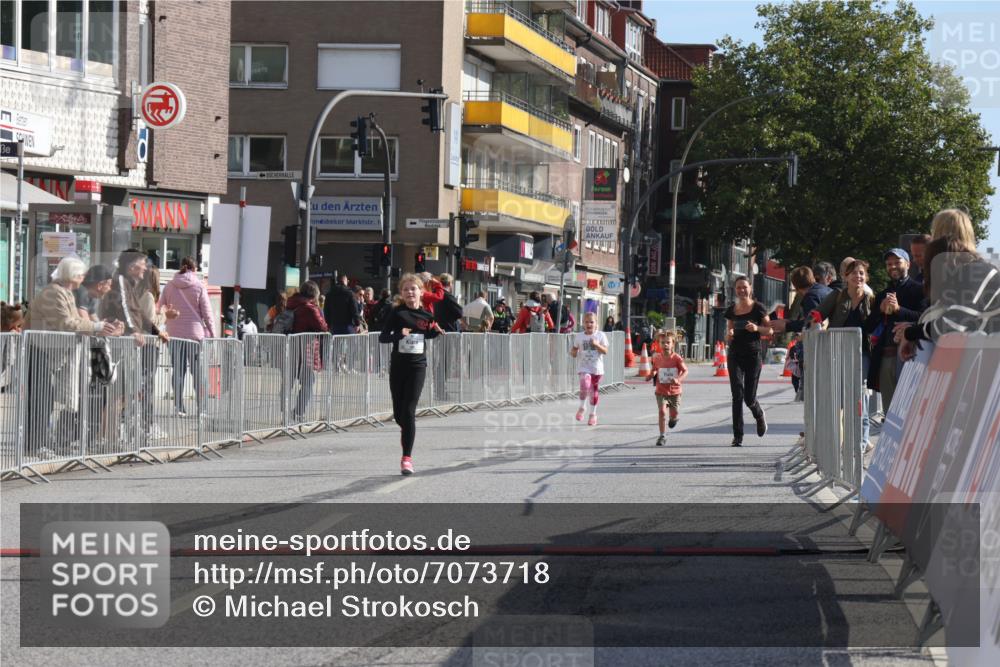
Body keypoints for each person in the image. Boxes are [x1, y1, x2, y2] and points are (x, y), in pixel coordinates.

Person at [24, 257, 120, 453]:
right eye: (81, 275)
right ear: (73, 275)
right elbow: (66, 323)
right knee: (40, 399)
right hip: (39, 349)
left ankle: (38, 443)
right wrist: (97, 327)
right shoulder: (54, 293)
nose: (84, 278)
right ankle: (34, 445)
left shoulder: (64, 292)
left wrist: (99, 327)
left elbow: (75, 321)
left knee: (46, 399)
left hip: (48, 350)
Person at [379, 273, 444, 475]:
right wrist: (399, 334)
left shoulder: (427, 315)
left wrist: (436, 331)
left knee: (408, 411)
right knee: (400, 414)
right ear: (401, 293)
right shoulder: (396, 313)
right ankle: (407, 428)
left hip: (418, 367)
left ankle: (406, 458)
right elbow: (383, 337)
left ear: (421, 292)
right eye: (406, 289)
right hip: (398, 367)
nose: (410, 292)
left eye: (413, 289)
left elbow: (427, 334)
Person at [812, 259, 876, 452]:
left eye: (862, 273)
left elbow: (879, 323)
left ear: (866, 277)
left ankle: (861, 443)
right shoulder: (837, 295)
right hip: (837, 352)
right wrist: (813, 325)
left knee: (861, 398)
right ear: (846, 277)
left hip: (863, 354)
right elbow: (817, 314)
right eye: (854, 273)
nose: (858, 276)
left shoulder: (871, 298)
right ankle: (837, 444)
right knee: (839, 398)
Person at [864, 248, 925, 412]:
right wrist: (880, 310)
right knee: (890, 411)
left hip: (912, 355)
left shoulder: (919, 290)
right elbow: (868, 326)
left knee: (910, 409)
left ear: (908, 264)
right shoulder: (883, 294)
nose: (892, 266)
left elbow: (923, 318)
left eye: (897, 262)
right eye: (889, 264)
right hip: (886, 356)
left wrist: (899, 310)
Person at [160, 257, 217, 415]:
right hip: (195, 336)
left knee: (178, 371)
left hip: (174, 334)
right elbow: (207, 313)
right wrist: (213, 333)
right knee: (198, 372)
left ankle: (179, 407)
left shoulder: (169, 286)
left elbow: (161, 307)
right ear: (195, 268)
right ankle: (202, 408)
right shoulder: (199, 286)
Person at [724, 276, 770, 447]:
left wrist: (757, 328)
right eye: (738, 287)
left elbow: (770, 330)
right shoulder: (731, 310)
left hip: (752, 354)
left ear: (750, 288)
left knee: (749, 398)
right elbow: (728, 333)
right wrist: (729, 335)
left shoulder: (758, 308)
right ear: (735, 290)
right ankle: (738, 436)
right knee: (737, 395)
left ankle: (759, 414)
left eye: (744, 287)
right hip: (735, 354)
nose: (742, 290)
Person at [287, 281, 328, 422]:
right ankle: (298, 413)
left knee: (288, 382)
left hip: (290, 348)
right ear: (314, 294)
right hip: (306, 351)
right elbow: (322, 327)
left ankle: (284, 413)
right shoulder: (310, 309)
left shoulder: (291, 304)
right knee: (308, 382)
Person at [647, 329, 688, 446]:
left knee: (674, 413)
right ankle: (662, 436)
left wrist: (678, 379)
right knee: (662, 412)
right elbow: (654, 369)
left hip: (675, 391)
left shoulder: (677, 358)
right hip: (661, 391)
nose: (665, 345)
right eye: (663, 342)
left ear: (672, 344)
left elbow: (685, 371)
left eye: (668, 342)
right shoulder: (657, 358)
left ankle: (673, 418)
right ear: (659, 344)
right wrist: (651, 375)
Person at [569, 312, 609, 426]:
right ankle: (582, 407)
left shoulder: (600, 335)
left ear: (596, 324)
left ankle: (593, 415)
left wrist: (596, 344)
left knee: (593, 392)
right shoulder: (579, 336)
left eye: (592, 322)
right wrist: (573, 352)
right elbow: (574, 349)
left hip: (596, 368)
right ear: (583, 324)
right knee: (584, 383)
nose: (589, 324)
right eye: (586, 322)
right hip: (584, 367)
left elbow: (605, 351)